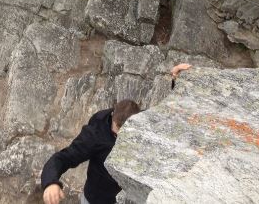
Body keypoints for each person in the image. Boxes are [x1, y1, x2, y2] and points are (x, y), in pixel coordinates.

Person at [41, 63, 192, 204]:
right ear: (113, 115)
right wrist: (51, 183)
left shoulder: (143, 125)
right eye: (117, 133)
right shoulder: (96, 134)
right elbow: (64, 157)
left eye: (125, 134)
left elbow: (171, 116)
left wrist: (176, 79)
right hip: (97, 200)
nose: (120, 138)